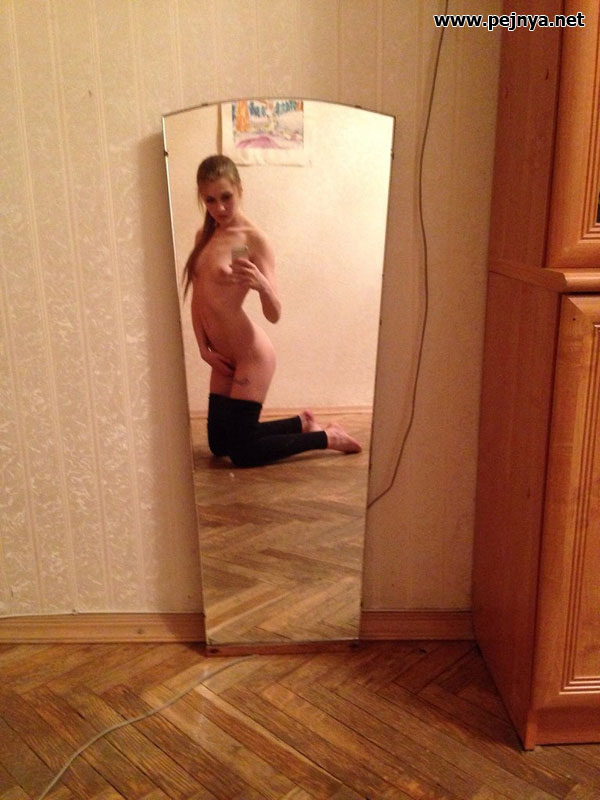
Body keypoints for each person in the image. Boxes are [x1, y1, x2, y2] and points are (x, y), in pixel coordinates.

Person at [183, 154, 361, 467]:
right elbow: (198, 298)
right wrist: (203, 349)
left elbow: (274, 313)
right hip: (222, 355)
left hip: (252, 355)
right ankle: (301, 423)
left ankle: (328, 437)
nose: (219, 208)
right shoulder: (204, 237)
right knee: (219, 444)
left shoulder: (255, 240)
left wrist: (261, 285)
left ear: (239, 189)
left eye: (226, 197)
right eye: (210, 200)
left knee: (242, 453)